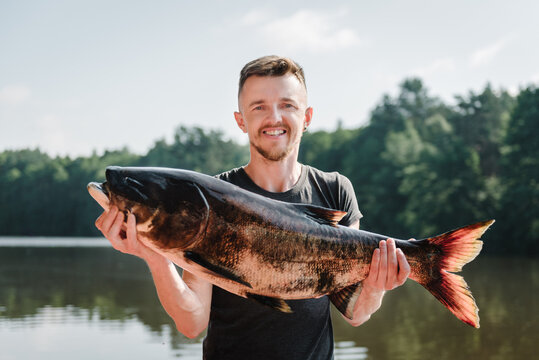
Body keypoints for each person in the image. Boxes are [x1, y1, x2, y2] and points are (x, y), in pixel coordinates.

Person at [95, 55, 411, 359]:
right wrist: (155, 256)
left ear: (308, 117)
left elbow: (356, 313)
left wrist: (375, 286)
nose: (274, 118)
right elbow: (191, 323)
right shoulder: (210, 200)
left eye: (287, 105)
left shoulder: (335, 190)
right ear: (240, 120)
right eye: (259, 107)